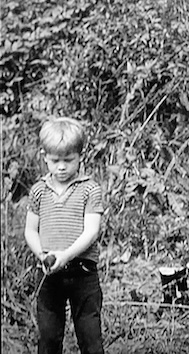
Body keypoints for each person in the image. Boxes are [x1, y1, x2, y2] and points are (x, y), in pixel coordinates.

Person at [24, 117, 105, 354]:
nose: (61, 167)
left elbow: (91, 231)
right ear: (44, 157)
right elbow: (30, 229)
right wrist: (42, 254)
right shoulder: (39, 190)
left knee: (90, 337)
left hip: (83, 271)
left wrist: (66, 255)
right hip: (49, 272)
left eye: (68, 160)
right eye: (54, 160)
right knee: (48, 338)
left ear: (81, 156)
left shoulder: (89, 189)